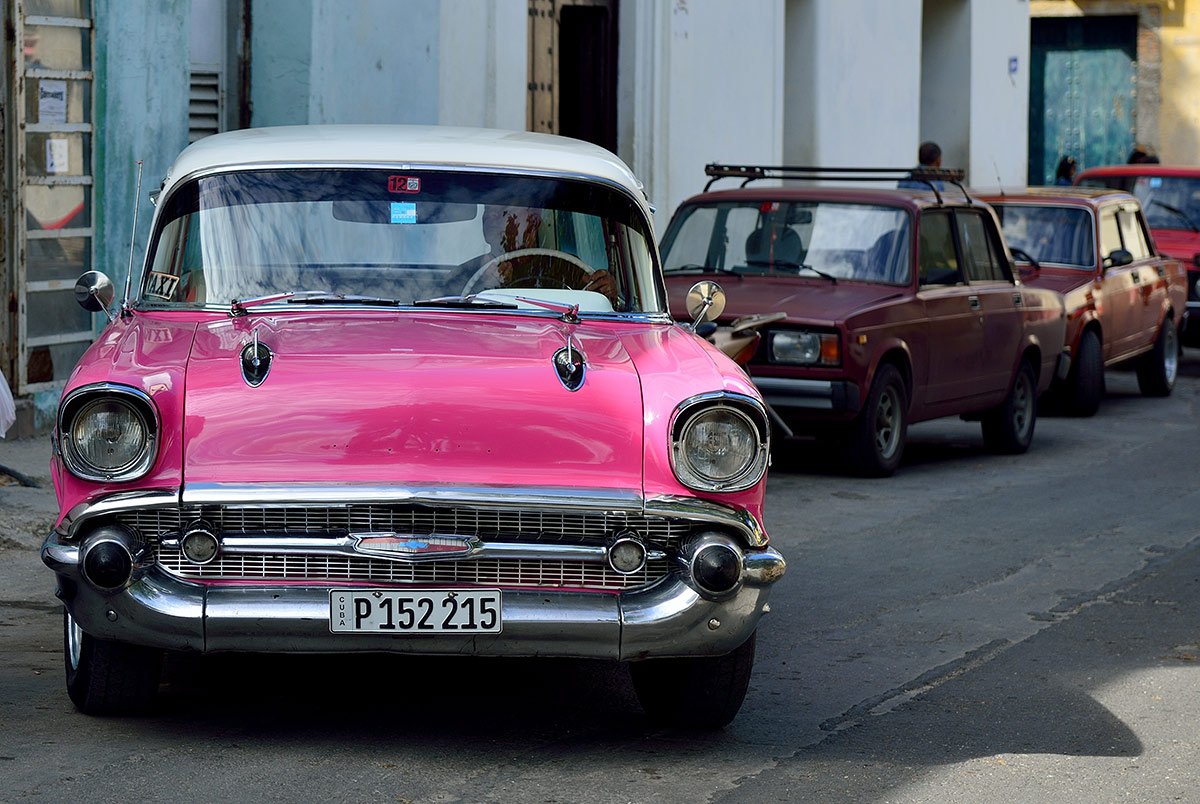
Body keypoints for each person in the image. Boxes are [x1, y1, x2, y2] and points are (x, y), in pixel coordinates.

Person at [470, 204, 618, 304]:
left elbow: (594, 315)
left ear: (534, 222)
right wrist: (484, 288)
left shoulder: (568, 268)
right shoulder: (469, 274)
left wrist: (606, 294)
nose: (491, 219)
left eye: (504, 212)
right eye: (488, 214)